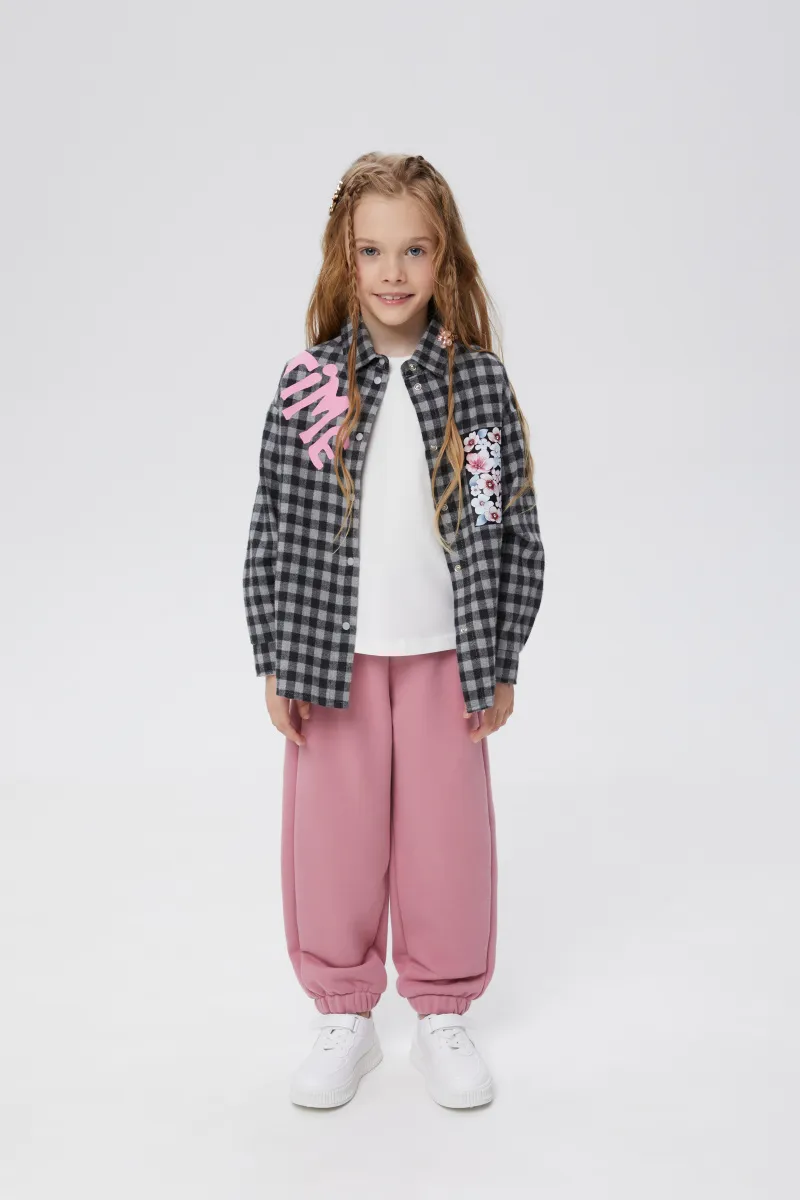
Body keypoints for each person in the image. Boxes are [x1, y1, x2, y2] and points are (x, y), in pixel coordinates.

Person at [242, 152, 545, 1109]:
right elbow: (274, 523)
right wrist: (274, 657)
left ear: (443, 254)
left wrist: (502, 655)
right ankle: (344, 1014)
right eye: (372, 250)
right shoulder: (313, 384)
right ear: (345, 255)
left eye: (414, 249)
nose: (393, 271)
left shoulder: (478, 387)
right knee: (332, 840)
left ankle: (443, 1011)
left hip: (448, 658)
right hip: (330, 658)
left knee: (446, 839)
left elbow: (508, 525)